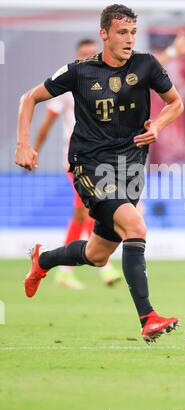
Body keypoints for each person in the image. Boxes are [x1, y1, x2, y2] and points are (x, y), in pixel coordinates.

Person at [15, 4, 184, 343]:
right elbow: (29, 97)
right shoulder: (80, 72)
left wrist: (158, 126)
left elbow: (175, 103)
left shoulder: (147, 65)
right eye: (122, 32)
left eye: (133, 32)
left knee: (97, 254)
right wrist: (23, 144)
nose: (129, 39)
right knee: (136, 225)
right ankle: (148, 317)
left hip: (131, 167)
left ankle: (42, 259)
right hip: (90, 164)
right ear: (104, 34)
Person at [34, 39, 122, 290]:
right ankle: (85, 267)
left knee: (88, 212)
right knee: (85, 211)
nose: (87, 57)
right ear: (76, 56)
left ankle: (76, 268)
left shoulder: (104, 84)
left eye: (90, 53)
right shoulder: (67, 84)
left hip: (102, 161)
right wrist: (33, 149)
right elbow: (48, 121)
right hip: (75, 161)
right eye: (82, 54)